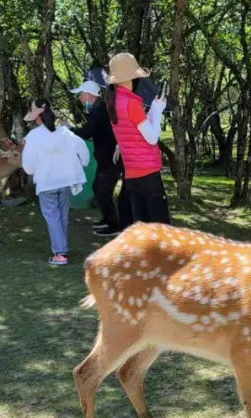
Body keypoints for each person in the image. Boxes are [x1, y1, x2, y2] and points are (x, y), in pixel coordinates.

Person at [103, 52, 170, 225]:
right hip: (148, 173)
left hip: (132, 173)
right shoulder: (131, 102)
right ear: (129, 78)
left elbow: (133, 130)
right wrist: (157, 110)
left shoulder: (113, 100)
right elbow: (152, 138)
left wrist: (152, 112)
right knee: (161, 226)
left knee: (142, 228)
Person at [21, 98, 90, 266]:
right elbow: (83, 150)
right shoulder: (64, 132)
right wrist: (79, 165)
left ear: (37, 117)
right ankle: (61, 249)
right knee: (62, 216)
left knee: (52, 217)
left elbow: (28, 168)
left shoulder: (33, 137)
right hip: (64, 182)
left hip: (47, 184)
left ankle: (60, 253)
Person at [71, 73, 129, 236]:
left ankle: (114, 225)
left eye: (81, 95)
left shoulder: (99, 111)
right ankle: (109, 219)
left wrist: (71, 130)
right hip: (105, 159)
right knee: (98, 190)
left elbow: (87, 132)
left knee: (103, 193)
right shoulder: (98, 109)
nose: (80, 98)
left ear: (89, 95)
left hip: (111, 159)